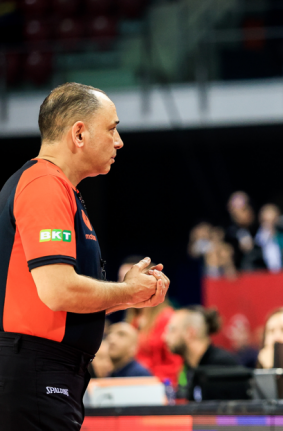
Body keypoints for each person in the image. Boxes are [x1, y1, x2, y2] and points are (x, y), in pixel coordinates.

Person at [0, 82, 170, 431]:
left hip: (42, 371)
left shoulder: (57, 188)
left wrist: (131, 296)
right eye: (111, 129)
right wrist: (127, 292)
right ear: (79, 134)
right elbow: (59, 291)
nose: (119, 141)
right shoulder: (44, 185)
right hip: (34, 371)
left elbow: (59, 305)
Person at [163, 306, 239, 399]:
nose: (164, 337)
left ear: (190, 333)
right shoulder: (190, 368)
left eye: (172, 330)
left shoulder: (221, 366)